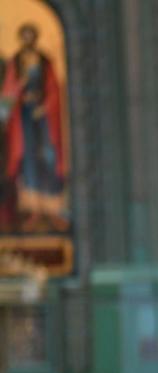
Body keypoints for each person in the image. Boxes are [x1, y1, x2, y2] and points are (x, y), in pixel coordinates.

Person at [1, 24, 67, 233]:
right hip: (24, 118)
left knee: (48, 156)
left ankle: (52, 208)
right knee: (27, 158)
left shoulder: (44, 61)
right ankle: (32, 209)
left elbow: (53, 89)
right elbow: (10, 91)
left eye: (31, 36)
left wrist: (45, 106)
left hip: (44, 116)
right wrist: (4, 112)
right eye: (25, 36)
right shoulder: (16, 61)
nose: (28, 40)